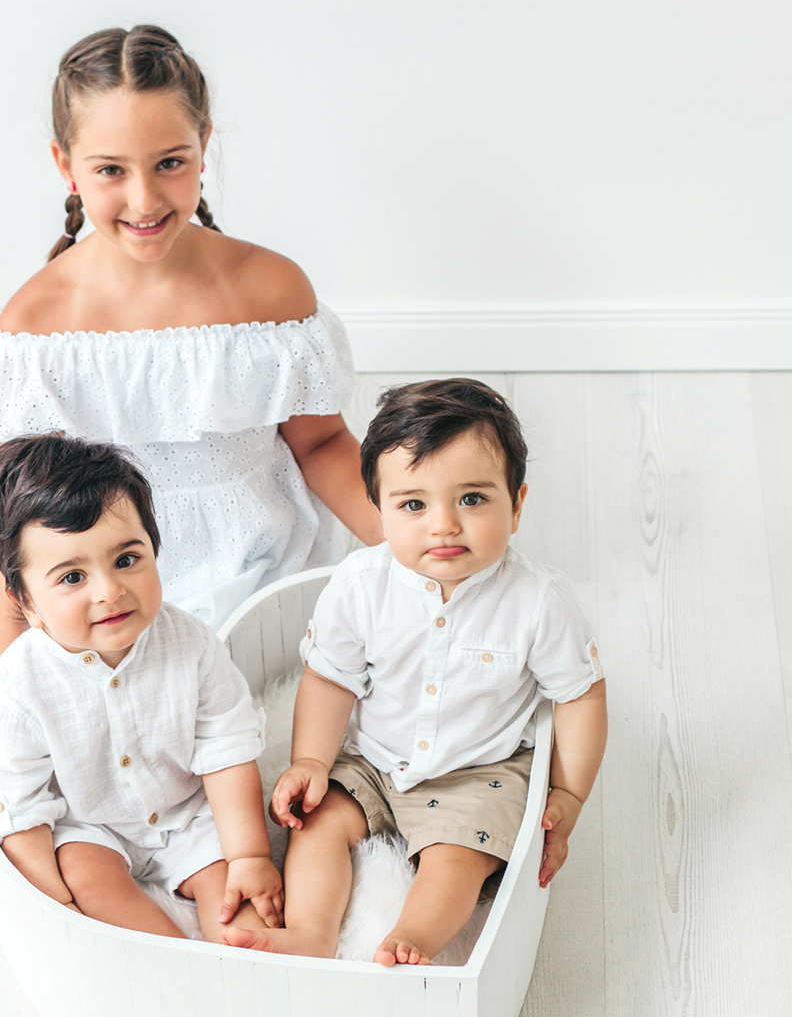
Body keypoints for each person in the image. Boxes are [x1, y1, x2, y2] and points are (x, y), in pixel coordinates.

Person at [0, 24, 381, 737]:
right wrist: (3, 658)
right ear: (66, 165)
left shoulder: (270, 289)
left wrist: (403, 535)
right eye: (111, 170)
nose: (144, 198)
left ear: (204, 144)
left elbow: (320, 443)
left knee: (260, 698)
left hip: (255, 551)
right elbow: (22, 501)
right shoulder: (41, 323)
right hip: (97, 559)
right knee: (34, 719)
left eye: (170, 162)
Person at [225, 379, 609, 966]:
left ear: (517, 504)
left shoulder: (539, 602)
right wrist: (312, 762)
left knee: (460, 855)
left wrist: (569, 793)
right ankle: (311, 932)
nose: (444, 525)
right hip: (374, 758)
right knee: (318, 824)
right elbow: (330, 680)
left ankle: (413, 939)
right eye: (413, 505)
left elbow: (580, 696)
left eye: (472, 499)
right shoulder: (360, 584)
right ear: (378, 508)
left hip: (478, 771)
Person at [0, 433, 280, 941]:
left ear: (155, 551)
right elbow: (16, 805)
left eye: (126, 560)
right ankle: (166, 959)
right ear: (25, 602)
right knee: (84, 875)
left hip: (186, 813)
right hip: (90, 826)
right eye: (72, 578)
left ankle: (240, 961)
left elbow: (226, 748)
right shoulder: (18, 685)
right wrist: (56, 904)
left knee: (237, 895)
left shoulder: (191, 643)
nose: (109, 591)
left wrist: (248, 855)